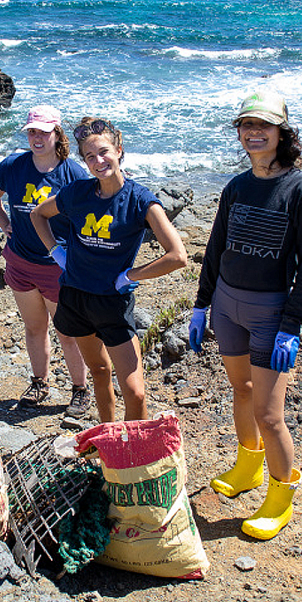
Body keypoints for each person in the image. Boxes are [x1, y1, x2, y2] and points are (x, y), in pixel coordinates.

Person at [188, 90, 302, 541]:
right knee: (240, 389)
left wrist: (292, 325)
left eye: (262, 126)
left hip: (270, 312)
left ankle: (281, 495)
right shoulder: (237, 186)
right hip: (228, 304)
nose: (252, 133)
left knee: (271, 414)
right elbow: (216, 247)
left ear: (282, 133)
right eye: (246, 125)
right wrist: (201, 302)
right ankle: (248, 467)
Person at [31, 117, 187, 422]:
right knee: (99, 373)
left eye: (103, 152)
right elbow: (38, 215)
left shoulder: (140, 201)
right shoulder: (79, 193)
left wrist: (130, 276)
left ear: (119, 149)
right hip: (76, 297)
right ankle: (109, 444)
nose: (98, 161)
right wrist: (56, 252)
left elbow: (178, 256)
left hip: (113, 303)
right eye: (90, 156)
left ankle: (137, 453)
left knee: (135, 391)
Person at [0, 106, 91, 417]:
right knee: (34, 328)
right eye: (32, 131)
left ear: (57, 133)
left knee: (67, 332)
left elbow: (87, 216)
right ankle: (39, 383)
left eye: (44, 132)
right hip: (20, 261)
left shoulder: (73, 174)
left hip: (56, 267)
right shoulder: (13, 165)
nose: (37, 137)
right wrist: (4, 223)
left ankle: (80, 390)